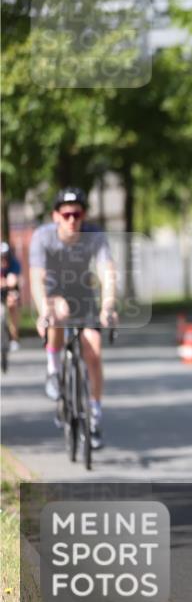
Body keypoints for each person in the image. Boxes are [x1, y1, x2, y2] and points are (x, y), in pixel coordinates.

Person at [29, 187, 118, 450]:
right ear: (55, 215)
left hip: (82, 290)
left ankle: (95, 415)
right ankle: (54, 370)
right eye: (66, 214)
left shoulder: (95, 236)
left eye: (76, 214)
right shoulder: (42, 237)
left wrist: (109, 305)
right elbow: (36, 278)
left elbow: (107, 272)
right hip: (54, 290)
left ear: (84, 215)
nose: (71, 220)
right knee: (60, 313)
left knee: (94, 349)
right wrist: (43, 308)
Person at [1, 241, 22, 352]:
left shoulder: (14, 263)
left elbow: (13, 280)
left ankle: (14, 338)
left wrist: (9, 282)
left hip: (10, 290)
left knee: (13, 305)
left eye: (5, 255)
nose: (3, 258)